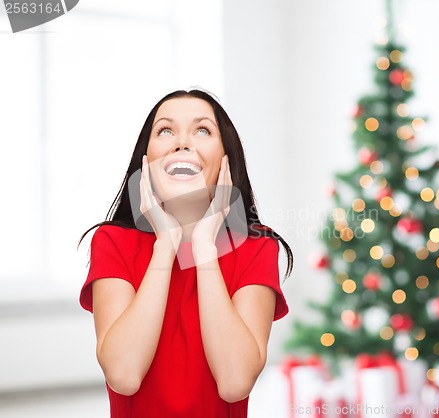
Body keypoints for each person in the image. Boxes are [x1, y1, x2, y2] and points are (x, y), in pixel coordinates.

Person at [79, 89, 293, 418]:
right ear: (146, 161)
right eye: (165, 130)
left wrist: (205, 246)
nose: (182, 143)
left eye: (203, 130)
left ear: (226, 158)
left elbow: (235, 382)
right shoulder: (112, 242)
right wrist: (166, 244)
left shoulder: (258, 249)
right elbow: (123, 375)